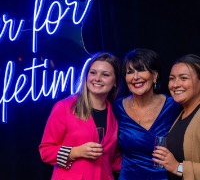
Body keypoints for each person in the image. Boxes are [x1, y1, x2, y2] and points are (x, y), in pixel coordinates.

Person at [39, 52, 122, 180]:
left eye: (105, 74)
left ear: (115, 82)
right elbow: (46, 151)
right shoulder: (65, 107)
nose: (97, 78)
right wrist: (75, 152)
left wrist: (145, 166)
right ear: (86, 75)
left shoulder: (115, 113)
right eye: (93, 73)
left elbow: (114, 160)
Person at [113, 48, 181, 180]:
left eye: (141, 70)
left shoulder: (173, 105)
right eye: (130, 72)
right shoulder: (117, 107)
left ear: (154, 75)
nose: (135, 77)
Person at [153, 54, 200, 180]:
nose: (175, 84)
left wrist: (177, 167)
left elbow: (176, 166)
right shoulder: (181, 113)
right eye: (172, 78)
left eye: (183, 78)